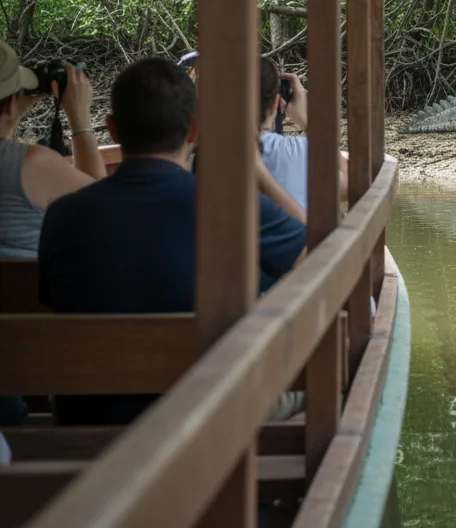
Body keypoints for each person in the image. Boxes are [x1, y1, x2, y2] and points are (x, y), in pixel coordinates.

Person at [38, 58, 308, 426]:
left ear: (113, 130)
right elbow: (320, 255)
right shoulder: (231, 205)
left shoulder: (62, 216)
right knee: (327, 387)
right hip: (206, 418)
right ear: (194, 131)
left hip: (89, 419)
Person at [0, 40, 105, 259]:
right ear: (10, 102)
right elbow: (104, 206)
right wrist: (79, 117)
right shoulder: (31, 164)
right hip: (22, 293)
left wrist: (12, 116)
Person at [258, 58, 348, 210]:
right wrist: (308, 120)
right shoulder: (301, 150)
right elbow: (349, 187)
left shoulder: (210, 150)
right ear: (276, 103)